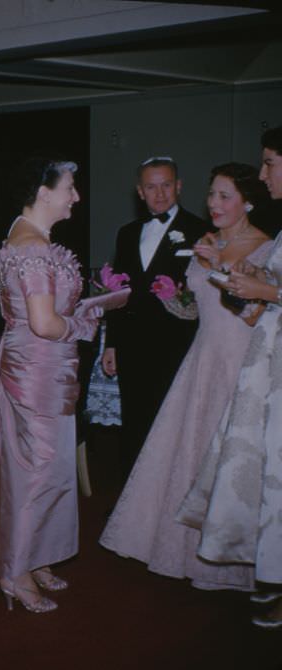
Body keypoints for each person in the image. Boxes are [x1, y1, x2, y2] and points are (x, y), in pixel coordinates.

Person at [100, 163, 271, 590]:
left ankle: (229, 560)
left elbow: (255, 316)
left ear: (248, 200)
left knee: (231, 461)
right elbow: (197, 311)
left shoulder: (266, 248)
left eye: (225, 196)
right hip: (201, 357)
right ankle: (175, 546)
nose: (214, 204)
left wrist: (218, 270)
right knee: (186, 453)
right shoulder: (207, 240)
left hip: (238, 362)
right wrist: (171, 298)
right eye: (212, 194)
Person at [0, 157, 101, 613]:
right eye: (70, 188)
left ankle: (37, 554)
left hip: (42, 368)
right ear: (44, 193)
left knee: (50, 467)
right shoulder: (32, 249)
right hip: (36, 372)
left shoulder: (28, 238)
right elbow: (44, 323)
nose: (76, 197)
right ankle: (16, 572)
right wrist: (83, 322)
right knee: (38, 472)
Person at [176, 126, 282, 627]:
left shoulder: (263, 241)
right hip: (243, 360)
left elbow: (261, 306)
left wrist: (260, 290)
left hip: (253, 360)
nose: (264, 174)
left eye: (269, 163)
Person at [102, 157, 208, 475]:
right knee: (134, 423)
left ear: (178, 186)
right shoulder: (127, 233)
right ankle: (132, 507)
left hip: (177, 345)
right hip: (133, 345)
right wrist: (112, 344)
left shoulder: (201, 231)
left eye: (166, 185)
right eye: (151, 186)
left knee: (174, 424)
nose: (159, 194)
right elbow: (118, 293)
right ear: (140, 191)